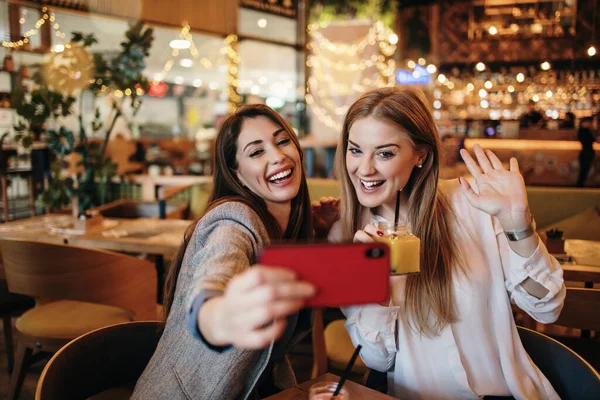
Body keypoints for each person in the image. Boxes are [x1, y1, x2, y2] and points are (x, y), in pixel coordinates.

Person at [328, 87, 566, 399]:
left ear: (420, 155)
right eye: (355, 150)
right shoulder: (346, 237)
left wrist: (518, 227)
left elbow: (547, 308)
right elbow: (376, 358)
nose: (364, 168)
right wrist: (382, 289)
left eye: (384, 153)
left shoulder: (473, 205)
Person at [132, 104, 317, 399]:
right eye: (256, 152)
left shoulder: (286, 228)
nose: (278, 156)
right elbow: (218, 267)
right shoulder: (233, 219)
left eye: (282, 141)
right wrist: (215, 317)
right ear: (237, 174)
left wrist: (323, 224)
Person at [576, 116, 597, 187]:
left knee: (584, 169)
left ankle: (580, 184)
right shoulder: (584, 131)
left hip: (586, 152)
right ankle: (579, 184)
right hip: (587, 152)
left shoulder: (585, 131)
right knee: (584, 169)